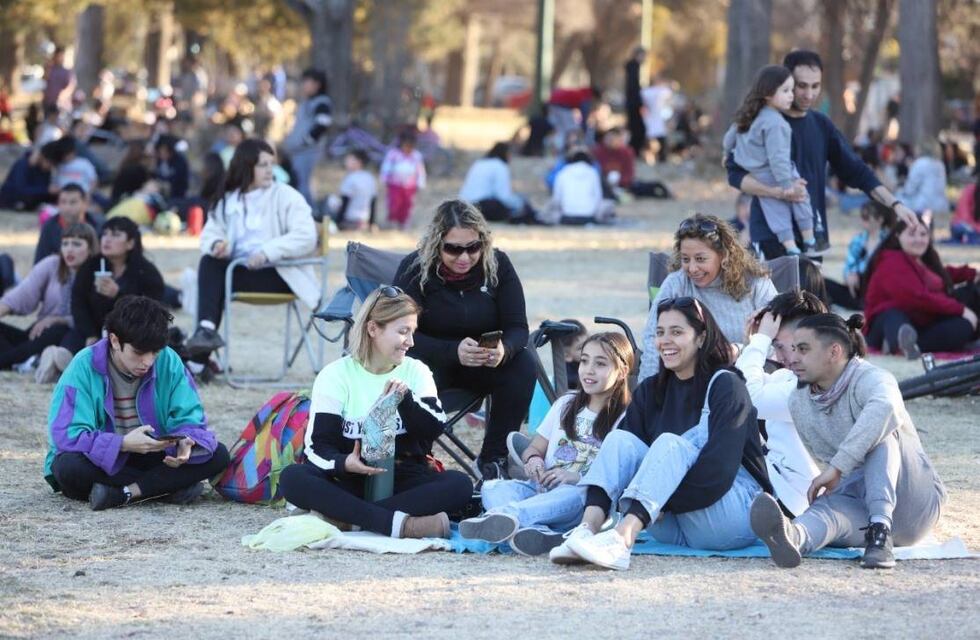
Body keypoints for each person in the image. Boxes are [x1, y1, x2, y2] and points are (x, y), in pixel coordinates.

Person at [550, 299, 772, 570]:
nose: (665, 340)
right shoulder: (650, 390)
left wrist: (658, 499)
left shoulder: (727, 385)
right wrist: (653, 501)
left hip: (729, 513)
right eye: (660, 332)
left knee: (669, 444)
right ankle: (586, 531)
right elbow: (622, 463)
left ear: (701, 337)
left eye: (677, 332)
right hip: (668, 522)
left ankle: (622, 539)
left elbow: (719, 472)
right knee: (619, 440)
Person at [751, 314, 946, 569]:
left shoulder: (872, 378)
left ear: (834, 352)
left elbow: (885, 408)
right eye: (793, 349)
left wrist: (838, 467)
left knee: (881, 432)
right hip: (862, 502)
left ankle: (880, 531)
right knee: (826, 510)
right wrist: (839, 478)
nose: (793, 358)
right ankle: (793, 537)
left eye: (804, 349)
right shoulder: (799, 401)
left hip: (917, 501)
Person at [279, 288, 473, 539]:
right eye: (403, 332)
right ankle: (402, 525)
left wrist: (406, 401)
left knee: (459, 485)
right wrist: (344, 463)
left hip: (405, 479)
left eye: (412, 332)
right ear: (372, 329)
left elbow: (434, 427)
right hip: (349, 480)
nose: (411, 342)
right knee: (293, 478)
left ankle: (347, 520)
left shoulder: (416, 371)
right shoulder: (336, 374)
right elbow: (317, 447)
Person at [727, 50, 920, 259]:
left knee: (810, 292)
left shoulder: (821, 124)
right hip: (770, 234)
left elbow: (857, 171)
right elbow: (735, 175)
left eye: (815, 86)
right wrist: (778, 192)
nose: (809, 94)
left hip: (813, 235)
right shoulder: (764, 123)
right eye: (801, 86)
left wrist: (896, 204)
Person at [393, 200, 536, 480]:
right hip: (430, 363)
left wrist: (503, 349)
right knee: (410, 371)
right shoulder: (414, 268)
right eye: (453, 249)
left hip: (482, 364)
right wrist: (451, 351)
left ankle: (494, 458)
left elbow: (518, 327)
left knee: (523, 363)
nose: (464, 257)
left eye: (473, 247)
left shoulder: (498, 265)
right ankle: (416, 460)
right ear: (437, 243)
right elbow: (399, 333)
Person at [45, 296, 230, 510]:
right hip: (105, 460)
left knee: (218, 454)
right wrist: (121, 444)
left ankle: (123, 493)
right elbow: (66, 435)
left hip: (156, 455)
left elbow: (191, 417)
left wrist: (185, 441)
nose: (148, 361)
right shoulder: (83, 366)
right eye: (139, 353)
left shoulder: (168, 360)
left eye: (155, 352)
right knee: (67, 467)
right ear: (115, 341)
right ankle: (166, 487)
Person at [459, 333, 634, 556]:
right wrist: (533, 462)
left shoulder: (626, 418)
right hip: (538, 491)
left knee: (573, 494)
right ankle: (539, 534)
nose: (588, 370)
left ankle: (501, 519)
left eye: (600, 364)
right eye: (584, 361)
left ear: (622, 371)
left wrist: (576, 478)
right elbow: (535, 448)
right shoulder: (565, 404)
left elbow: (618, 479)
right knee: (492, 487)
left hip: (579, 501)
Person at [184, 139, 318, 359]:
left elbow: (306, 236)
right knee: (210, 262)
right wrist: (217, 244)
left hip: (281, 274)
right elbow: (211, 231)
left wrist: (267, 252)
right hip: (239, 270)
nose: (269, 170)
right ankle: (205, 335)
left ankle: (199, 357)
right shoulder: (229, 199)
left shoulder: (286, 196)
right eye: (262, 165)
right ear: (246, 166)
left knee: (214, 279)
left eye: (271, 164)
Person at [639, 214, 776, 381]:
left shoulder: (755, 284)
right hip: (691, 381)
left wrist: (740, 350)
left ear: (724, 256)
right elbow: (654, 338)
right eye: (685, 259)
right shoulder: (677, 283)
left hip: (750, 378)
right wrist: (647, 392)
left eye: (700, 259)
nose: (692, 268)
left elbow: (778, 341)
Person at [736, 290, 826, 517]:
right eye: (777, 347)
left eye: (794, 347)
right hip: (784, 491)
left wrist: (760, 340)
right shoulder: (789, 378)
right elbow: (737, 386)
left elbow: (748, 397)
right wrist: (755, 340)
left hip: (796, 501)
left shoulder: (813, 384)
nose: (786, 357)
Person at [723, 66, 816, 256]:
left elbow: (729, 138)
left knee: (775, 209)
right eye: (785, 91)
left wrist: (726, 153)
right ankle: (810, 239)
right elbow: (778, 157)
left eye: (791, 90)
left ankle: (790, 247)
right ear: (767, 94)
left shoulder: (749, 115)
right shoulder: (776, 123)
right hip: (776, 172)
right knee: (800, 197)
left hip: (756, 174)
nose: (791, 95)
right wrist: (786, 184)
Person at [862, 217, 979, 358]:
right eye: (912, 234)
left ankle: (909, 343)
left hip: (922, 321)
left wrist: (972, 273)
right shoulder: (892, 260)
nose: (918, 239)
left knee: (972, 294)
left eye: (923, 234)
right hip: (890, 322)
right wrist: (961, 310)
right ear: (898, 236)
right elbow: (917, 297)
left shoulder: (922, 259)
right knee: (962, 326)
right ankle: (899, 344)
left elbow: (942, 276)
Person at [0, 223, 97, 369]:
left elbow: (95, 317)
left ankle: (12, 360)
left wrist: (58, 319)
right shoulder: (52, 264)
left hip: (70, 337)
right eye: (65, 244)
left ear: (90, 249)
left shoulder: (98, 273)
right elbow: (21, 295)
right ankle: (27, 361)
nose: (69, 249)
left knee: (58, 330)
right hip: (38, 333)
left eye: (77, 244)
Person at [70, 217, 165, 352]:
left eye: (115, 235)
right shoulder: (91, 266)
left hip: (131, 337)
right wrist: (90, 334)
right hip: (92, 333)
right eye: (105, 234)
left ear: (130, 243)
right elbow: (78, 302)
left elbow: (152, 312)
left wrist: (118, 295)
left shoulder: (145, 272)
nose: (107, 239)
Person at [824, 201, 895, 310]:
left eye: (866, 217)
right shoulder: (858, 240)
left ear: (880, 219)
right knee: (823, 283)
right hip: (858, 289)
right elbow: (849, 265)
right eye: (862, 216)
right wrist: (850, 274)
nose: (862, 221)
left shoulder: (890, 241)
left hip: (881, 287)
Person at [283, 68, 332, 207]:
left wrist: (306, 141)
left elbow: (322, 125)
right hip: (299, 152)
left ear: (317, 84)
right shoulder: (307, 102)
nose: (304, 85)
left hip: (308, 152)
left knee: (304, 184)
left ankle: (309, 214)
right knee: (298, 183)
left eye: (307, 82)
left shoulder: (322, 103)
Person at [458, 142, 535, 223]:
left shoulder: (479, 163)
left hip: (464, 206)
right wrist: (520, 203)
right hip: (482, 206)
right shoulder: (500, 166)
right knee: (517, 205)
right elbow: (503, 196)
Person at [34, 183, 104, 264]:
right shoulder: (49, 227)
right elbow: (40, 262)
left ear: (85, 203)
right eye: (63, 202)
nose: (67, 207)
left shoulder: (98, 225)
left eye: (73, 202)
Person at [545, 150, 615, 225]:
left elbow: (557, 198)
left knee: (549, 206)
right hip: (589, 218)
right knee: (609, 203)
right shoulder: (593, 173)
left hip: (566, 217)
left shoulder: (562, 173)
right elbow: (598, 197)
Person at [380, 130, 426, 230]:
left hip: (410, 186)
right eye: (406, 145)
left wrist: (420, 183)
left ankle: (404, 222)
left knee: (407, 204)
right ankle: (392, 221)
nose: (408, 149)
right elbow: (386, 167)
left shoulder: (416, 156)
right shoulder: (393, 154)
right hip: (395, 184)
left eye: (411, 146)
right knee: (394, 203)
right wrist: (385, 179)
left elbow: (420, 171)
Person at [325, 149, 377, 230]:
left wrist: (338, 223)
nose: (346, 162)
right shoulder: (370, 178)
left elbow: (345, 201)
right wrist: (372, 223)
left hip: (350, 219)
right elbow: (373, 202)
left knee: (330, 200)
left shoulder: (351, 178)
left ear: (359, 162)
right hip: (365, 220)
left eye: (350, 160)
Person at [896, 139, 949, 215]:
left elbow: (909, 190)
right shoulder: (940, 164)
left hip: (923, 207)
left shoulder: (920, 163)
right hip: (941, 206)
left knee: (898, 196)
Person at [40, 136, 100, 203]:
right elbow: (54, 184)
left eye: (67, 154)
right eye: (63, 154)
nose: (65, 157)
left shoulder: (84, 163)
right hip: (64, 197)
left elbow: (94, 180)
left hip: (83, 195)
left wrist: (89, 194)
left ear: (73, 152)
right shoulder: (58, 165)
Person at [641, 75, 673, 163]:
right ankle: (657, 157)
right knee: (652, 139)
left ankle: (660, 157)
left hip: (656, 118)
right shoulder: (661, 91)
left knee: (658, 139)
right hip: (653, 118)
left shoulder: (646, 92)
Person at [624, 47, 647, 158]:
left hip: (633, 103)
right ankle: (633, 152)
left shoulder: (633, 67)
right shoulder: (633, 67)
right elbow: (633, 87)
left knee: (637, 129)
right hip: (633, 104)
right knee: (638, 129)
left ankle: (633, 152)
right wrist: (639, 102)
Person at [153, 134, 190, 201]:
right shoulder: (160, 160)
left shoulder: (180, 162)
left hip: (177, 196)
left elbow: (178, 181)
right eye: (160, 151)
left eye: (165, 151)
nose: (162, 153)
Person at [950, 174, 980, 244]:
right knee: (966, 230)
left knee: (974, 237)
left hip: (975, 231)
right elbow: (964, 217)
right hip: (962, 226)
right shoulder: (970, 190)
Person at [42, 46, 74, 111]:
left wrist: (62, 95)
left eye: (61, 56)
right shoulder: (50, 69)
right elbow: (44, 79)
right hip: (48, 102)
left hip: (62, 104)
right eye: (57, 56)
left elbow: (70, 86)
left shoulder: (67, 71)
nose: (59, 58)